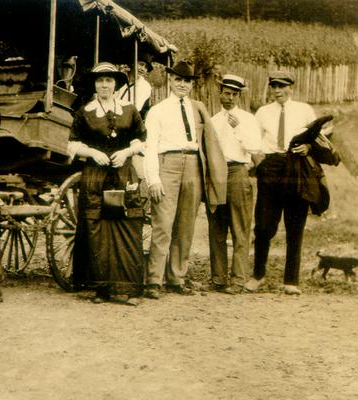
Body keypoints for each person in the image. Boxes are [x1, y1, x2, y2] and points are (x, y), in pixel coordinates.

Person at [244, 71, 338, 295]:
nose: (277, 91)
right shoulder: (263, 113)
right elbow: (254, 142)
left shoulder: (304, 110)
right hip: (272, 166)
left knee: (295, 225)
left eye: (281, 86)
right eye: (273, 86)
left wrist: (308, 148)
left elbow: (319, 137)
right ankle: (258, 276)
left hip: (297, 167)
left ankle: (291, 281)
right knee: (264, 225)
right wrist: (261, 165)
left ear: (291, 88)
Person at [142, 60, 227, 299]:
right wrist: (153, 180)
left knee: (186, 225)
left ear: (192, 85)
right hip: (167, 164)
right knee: (163, 225)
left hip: (192, 165)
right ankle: (154, 280)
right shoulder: (158, 110)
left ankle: (177, 277)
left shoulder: (197, 108)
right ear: (171, 80)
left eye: (187, 81)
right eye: (178, 79)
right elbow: (150, 148)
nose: (182, 84)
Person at [68, 62, 147, 304]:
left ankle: (127, 288)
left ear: (115, 84)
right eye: (100, 80)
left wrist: (126, 153)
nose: (104, 85)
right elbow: (72, 144)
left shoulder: (129, 110)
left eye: (109, 81)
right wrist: (92, 152)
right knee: (97, 229)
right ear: (94, 84)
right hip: (95, 176)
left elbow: (141, 139)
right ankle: (101, 288)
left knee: (127, 226)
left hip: (123, 174)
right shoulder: (85, 112)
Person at [207, 74, 264, 294]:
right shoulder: (213, 120)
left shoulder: (248, 119)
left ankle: (238, 280)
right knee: (217, 229)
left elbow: (254, 147)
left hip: (239, 172)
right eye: (226, 93)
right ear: (220, 93)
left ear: (239, 96)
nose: (229, 98)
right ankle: (218, 278)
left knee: (240, 228)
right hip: (217, 174)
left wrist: (238, 128)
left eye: (233, 94)